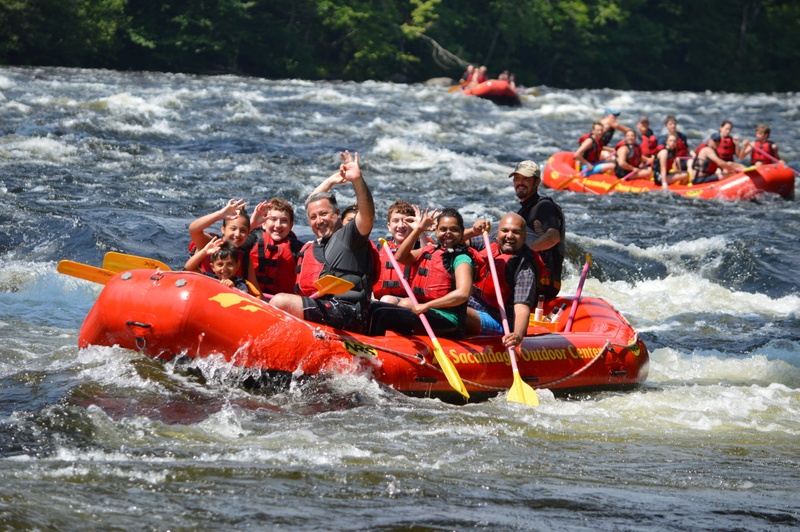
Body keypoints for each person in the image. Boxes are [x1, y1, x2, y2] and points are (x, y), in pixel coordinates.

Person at [269, 151, 375, 333]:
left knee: (280, 301)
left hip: (348, 312)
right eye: (313, 217)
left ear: (337, 213)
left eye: (324, 214)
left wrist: (357, 181)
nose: (319, 221)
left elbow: (367, 215)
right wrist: (331, 180)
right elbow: (311, 202)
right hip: (326, 307)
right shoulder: (319, 242)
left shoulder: (350, 237)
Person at [369, 207, 478, 339]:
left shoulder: (461, 258)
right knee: (374, 307)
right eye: (443, 229)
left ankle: (373, 348)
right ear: (437, 231)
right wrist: (419, 229)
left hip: (448, 319)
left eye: (454, 229)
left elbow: (463, 293)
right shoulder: (431, 250)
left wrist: (427, 305)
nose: (448, 233)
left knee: (383, 314)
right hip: (428, 312)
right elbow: (400, 257)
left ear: (461, 232)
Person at [465, 214, 542, 345]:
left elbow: (522, 308)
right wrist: (473, 231)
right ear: (497, 233)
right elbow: (455, 241)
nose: (509, 236)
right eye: (505, 230)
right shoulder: (488, 242)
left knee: (456, 310)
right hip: (472, 305)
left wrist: (517, 334)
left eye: (516, 232)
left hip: (498, 322)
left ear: (524, 237)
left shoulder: (524, 269)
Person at [510, 160, 565, 301]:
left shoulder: (544, 206)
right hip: (527, 275)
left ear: (537, 182)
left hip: (541, 283)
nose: (520, 183)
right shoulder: (524, 210)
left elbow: (553, 236)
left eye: (525, 179)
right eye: (517, 178)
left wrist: (523, 252)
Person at [372, 200, 430, 303]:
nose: (401, 225)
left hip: (414, 301)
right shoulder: (380, 247)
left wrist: (420, 229)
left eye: (406, 221)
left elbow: (429, 257)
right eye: (396, 221)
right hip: (384, 300)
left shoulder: (421, 243)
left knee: (388, 300)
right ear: (389, 226)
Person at [187, 198, 256, 281]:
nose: (237, 234)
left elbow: (254, 288)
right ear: (223, 229)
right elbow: (193, 230)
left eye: (243, 231)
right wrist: (220, 214)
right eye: (233, 229)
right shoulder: (209, 244)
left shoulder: (244, 258)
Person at [248, 197, 303, 297]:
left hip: (281, 301)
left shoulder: (298, 248)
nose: (278, 225)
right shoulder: (251, 239)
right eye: (273, 219)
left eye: (284, 221)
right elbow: (231, 247)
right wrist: (252, 224)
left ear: (291, 226)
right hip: (249, 295)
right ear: (263, 223)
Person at [185, 238, 255, 295]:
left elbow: (245, 296)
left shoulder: (239, 283)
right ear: (213, 267)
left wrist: (233, 288)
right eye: (220, 264)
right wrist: (204, 252)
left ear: (237, 266)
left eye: (229, 264)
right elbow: (189, 268)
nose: (224, 269)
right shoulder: (210, 278)